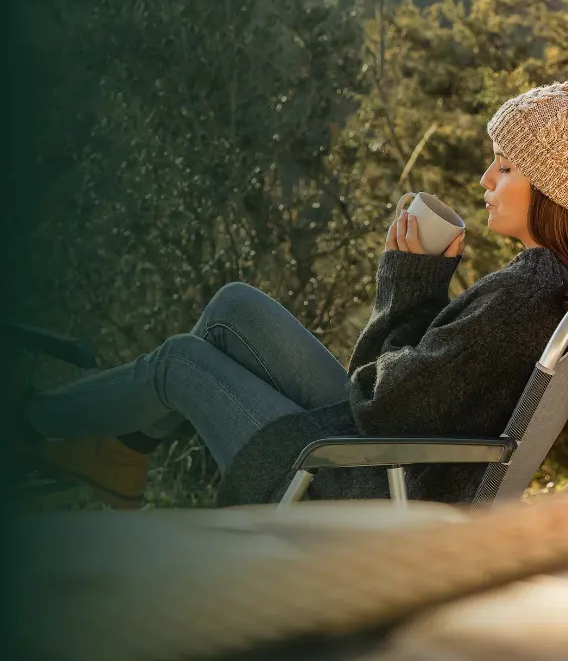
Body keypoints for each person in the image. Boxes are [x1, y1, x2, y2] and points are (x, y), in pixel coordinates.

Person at [18, 81, 568, 509]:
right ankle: (121, 451)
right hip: (390, 460)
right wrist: (417, 286)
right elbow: (413, 395)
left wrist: (409, 283)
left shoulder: (520, 299)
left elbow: (383, 405)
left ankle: (26, 430)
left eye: (505, 165)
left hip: (356, 484)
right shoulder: (542, 282)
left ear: (551, 187)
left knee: (180, 363)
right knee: (235, 307)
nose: (484, 180)